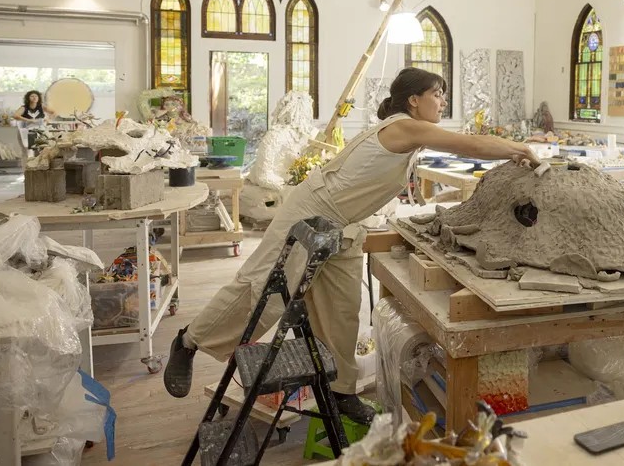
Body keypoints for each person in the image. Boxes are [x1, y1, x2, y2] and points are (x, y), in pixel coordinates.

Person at [163, 67, 540, 423]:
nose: (442, 102)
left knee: (342, 309)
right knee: (264, 289)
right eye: (437, 95)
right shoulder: (405, 127)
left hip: (343, 224)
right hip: (311, 212)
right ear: (413, 101)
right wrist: (517, 148)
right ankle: (189, 341)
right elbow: (469, 143)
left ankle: (341, 390)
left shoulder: (409, 133)